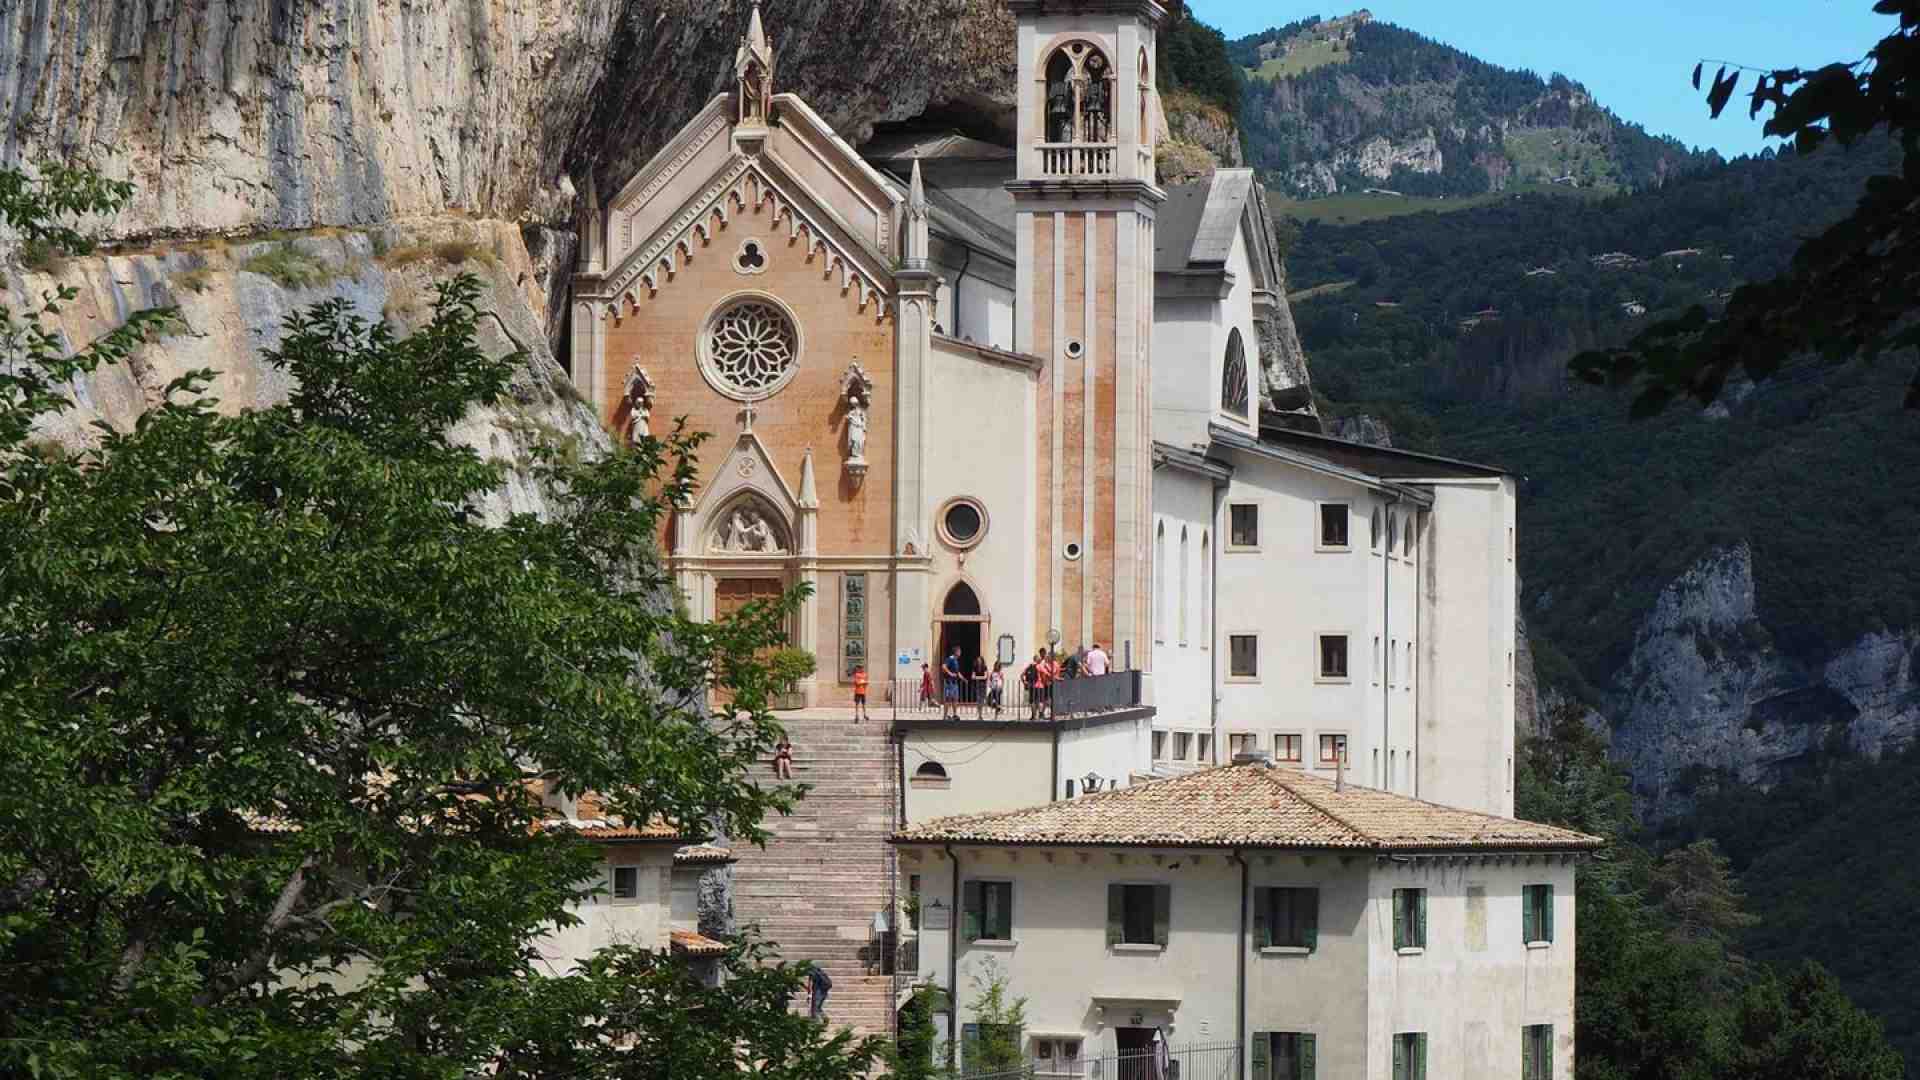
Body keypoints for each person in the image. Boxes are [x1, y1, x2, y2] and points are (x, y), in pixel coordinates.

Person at [941, 647, 963, 719]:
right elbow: (943, 666)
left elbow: (957, 672)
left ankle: (954, 714)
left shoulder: (956, 660)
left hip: (955, 682)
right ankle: (945, 716)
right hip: (949, 682)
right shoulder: (950, 658)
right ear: (956, 652)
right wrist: (950, 673)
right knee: (948, 699)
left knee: (955, 699)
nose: (960, 652)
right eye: (959, 651)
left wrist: (962, 678)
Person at [1022, 654, 1042, 720]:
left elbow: (1022, 675)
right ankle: (1039, 714)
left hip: (1031, 685)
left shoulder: (1029, 666)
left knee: (1032, 701)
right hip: (1039, 685)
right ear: (1038, 659)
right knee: (1038, 701)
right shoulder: (1039, 666)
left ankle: (1033, 715)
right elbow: (1046, 673)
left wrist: (1024, 682)